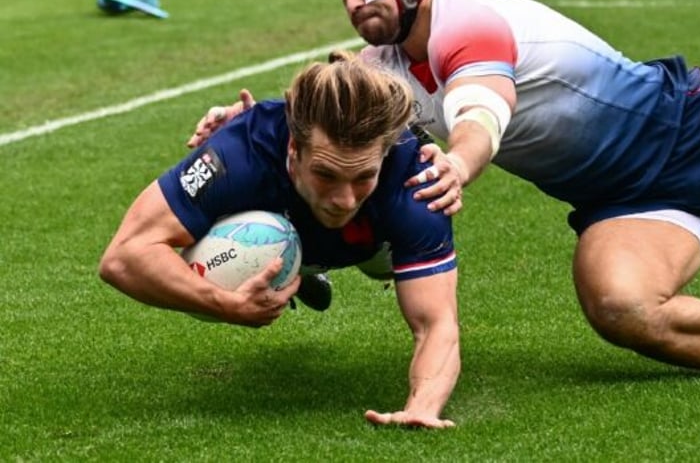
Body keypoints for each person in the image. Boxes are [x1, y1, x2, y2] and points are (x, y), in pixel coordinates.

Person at [191, 0, 700, 375]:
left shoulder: (465, 19)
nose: (354, 1)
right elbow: (318, 114)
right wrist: (246, 121)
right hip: (623, 202)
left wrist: (461, 161)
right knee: (621, 306)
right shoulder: (383, 66)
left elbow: (483, 110)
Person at [101, 52, 460, 428]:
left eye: (362, 177)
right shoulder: (240, 151)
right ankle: (295, 263)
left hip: (374, 243)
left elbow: (436, 323)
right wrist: (224, 304)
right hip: (272, 219)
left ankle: (304, 261)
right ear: (293, 149)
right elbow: (124, 256)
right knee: (201, 275)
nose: (344, 199)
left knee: (387, 264)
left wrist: (422, 406)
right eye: (326, 174)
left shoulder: (416, 178)